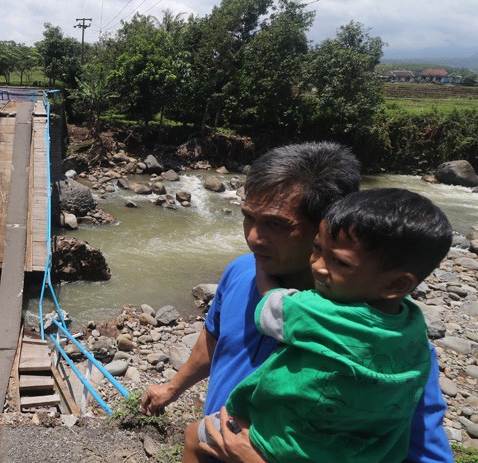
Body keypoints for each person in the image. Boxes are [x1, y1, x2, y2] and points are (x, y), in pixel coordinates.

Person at [138, 142, 453, 463]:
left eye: (277, 225)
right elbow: (216, 337)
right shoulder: (242, 272)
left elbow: (425, 455)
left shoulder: (390, 349)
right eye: (249, 217)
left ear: (330, 224)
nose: (254, 238)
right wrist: (173, 388)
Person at [197, 188, 452, 462]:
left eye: (339, 262)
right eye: (317, 249)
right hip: (366, 454)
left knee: (194, 438)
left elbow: (270, 300)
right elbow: (212, 336)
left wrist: (259, 263)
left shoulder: (314, 310)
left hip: (279, 445)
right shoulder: (411, 329)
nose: (319, 266)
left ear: (397, 284)